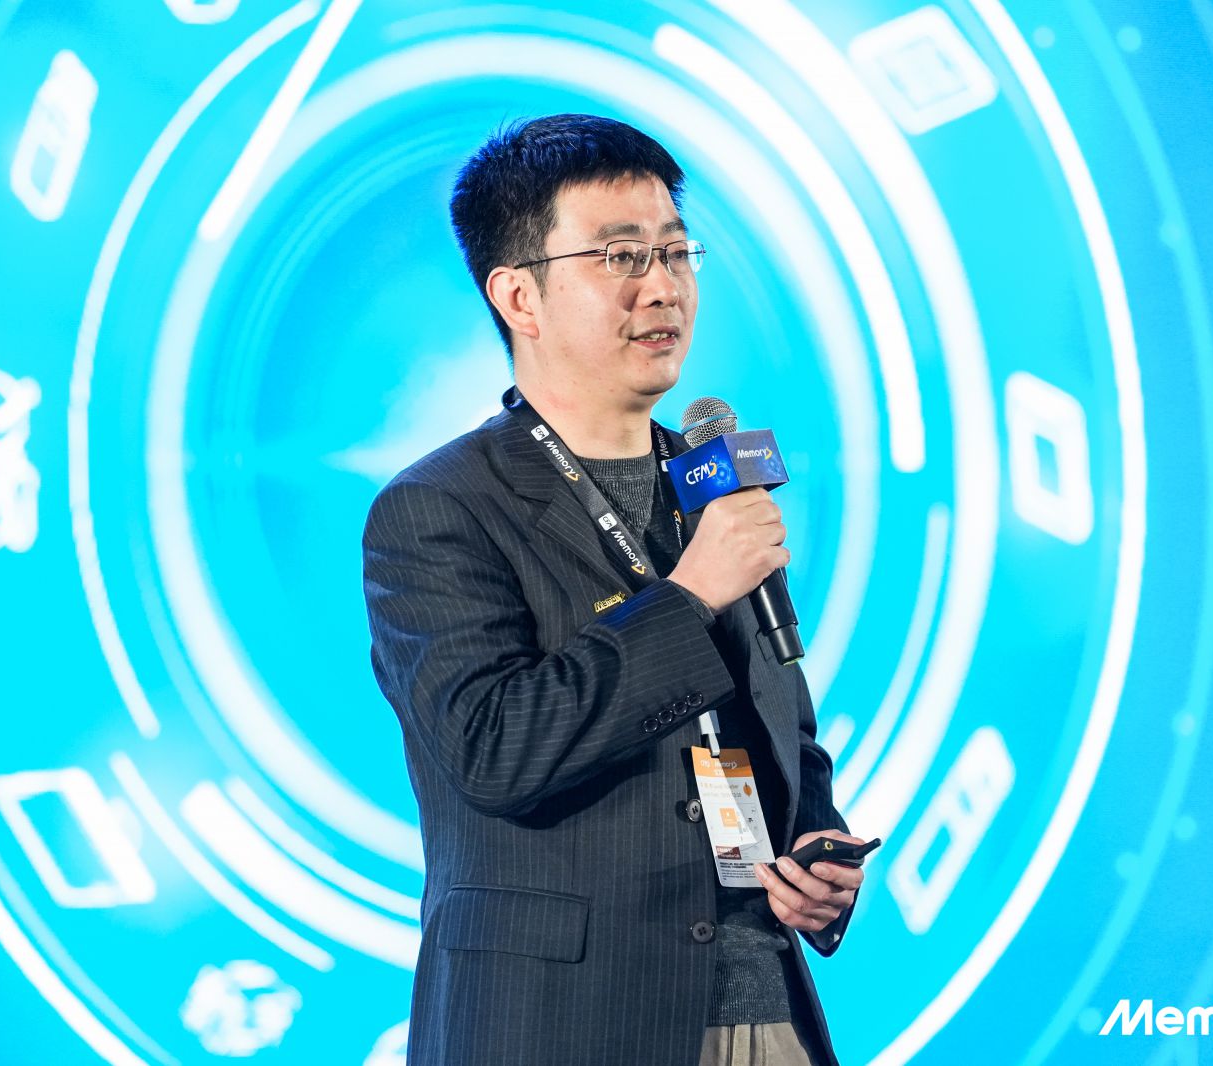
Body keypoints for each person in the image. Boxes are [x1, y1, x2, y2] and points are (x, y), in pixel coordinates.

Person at [363, 113, 864, 1066]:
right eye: (621, 256)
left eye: (676, 252)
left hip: (765, 1013)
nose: (663, 286)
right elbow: (496, 749)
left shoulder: (714, 483)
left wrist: (817, 848)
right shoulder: (437, 508)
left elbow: (784, 729)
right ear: (519, 295)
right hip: (559, 1024)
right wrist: (690, 593)